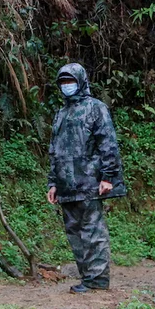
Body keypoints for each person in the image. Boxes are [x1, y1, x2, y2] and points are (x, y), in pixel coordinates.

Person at [47, 63, 126, 293]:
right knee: (75, 234)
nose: (66, 86)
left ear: (81, 81)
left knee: (93, 232)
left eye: (70, 81)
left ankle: (98, 280)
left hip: (90, 182)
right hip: (66, 185)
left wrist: (108, 176)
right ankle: (87, 278)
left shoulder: (95, 108)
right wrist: (53, 183)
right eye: (62, 82)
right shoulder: (60, 114)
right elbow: (55, 150)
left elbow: (108, 143)